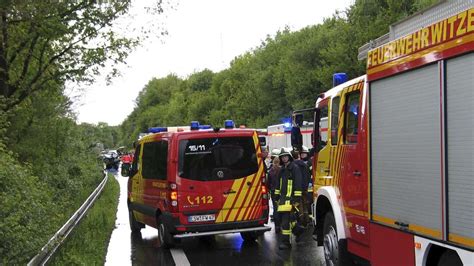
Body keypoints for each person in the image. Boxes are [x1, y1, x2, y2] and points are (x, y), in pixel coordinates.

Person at [274, 148, 303, 250]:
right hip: (282, 199)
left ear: (289, 157)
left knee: (285, 222)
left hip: (290, 199)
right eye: (282, 157)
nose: (284, 158)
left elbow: (298, 184)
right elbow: (278, 184)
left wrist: (296, 199)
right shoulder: (282, 170)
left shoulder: (294, 168)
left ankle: (286, 243)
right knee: (289, 219)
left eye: (286, 156)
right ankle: (298, 231)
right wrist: (276, 196)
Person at [267, 156, 281, 233]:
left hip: (273, 192)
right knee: (281, 208)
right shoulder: (281, 170)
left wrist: (269, 190)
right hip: (281, 192)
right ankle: (282, 224)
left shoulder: (270, 171)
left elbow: (268, 183)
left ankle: (277, 226)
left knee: (275, 208)